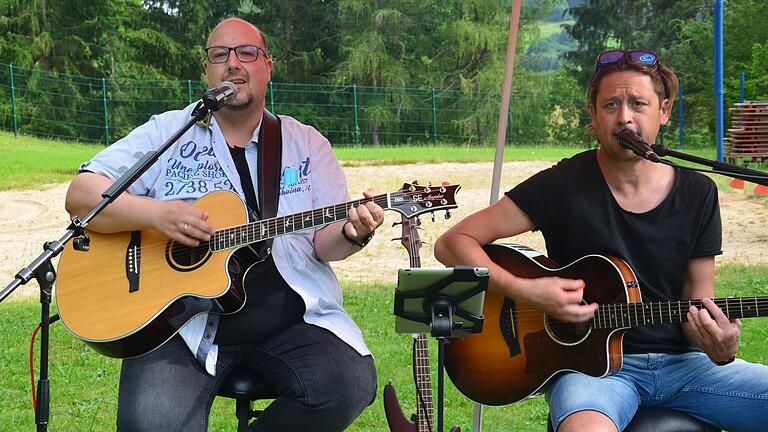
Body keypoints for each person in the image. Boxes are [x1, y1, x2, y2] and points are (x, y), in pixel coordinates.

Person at [65, 17, 383, 431]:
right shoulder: (168, 132)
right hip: (178, 325)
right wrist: (157, 215)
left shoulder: (306, 144)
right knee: (151, 425)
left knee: (348, 384)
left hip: (289, 321)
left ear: (267, 66)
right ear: (207, 70)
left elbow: (324, 245)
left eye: (246, 53)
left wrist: (351, 232)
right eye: (220, 55)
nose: (233, 63)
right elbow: (81, 194)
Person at [434, 50, 768, 432]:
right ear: (593, 116)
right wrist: (527, 292)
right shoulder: (561, 185)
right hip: (592, 373)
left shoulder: (698, 192)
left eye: (638, 104)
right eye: (611, 104)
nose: (625, 117)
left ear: (663, 111)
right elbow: (453, 242)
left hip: (684, 368)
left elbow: (698, 305)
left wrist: (719, 346)